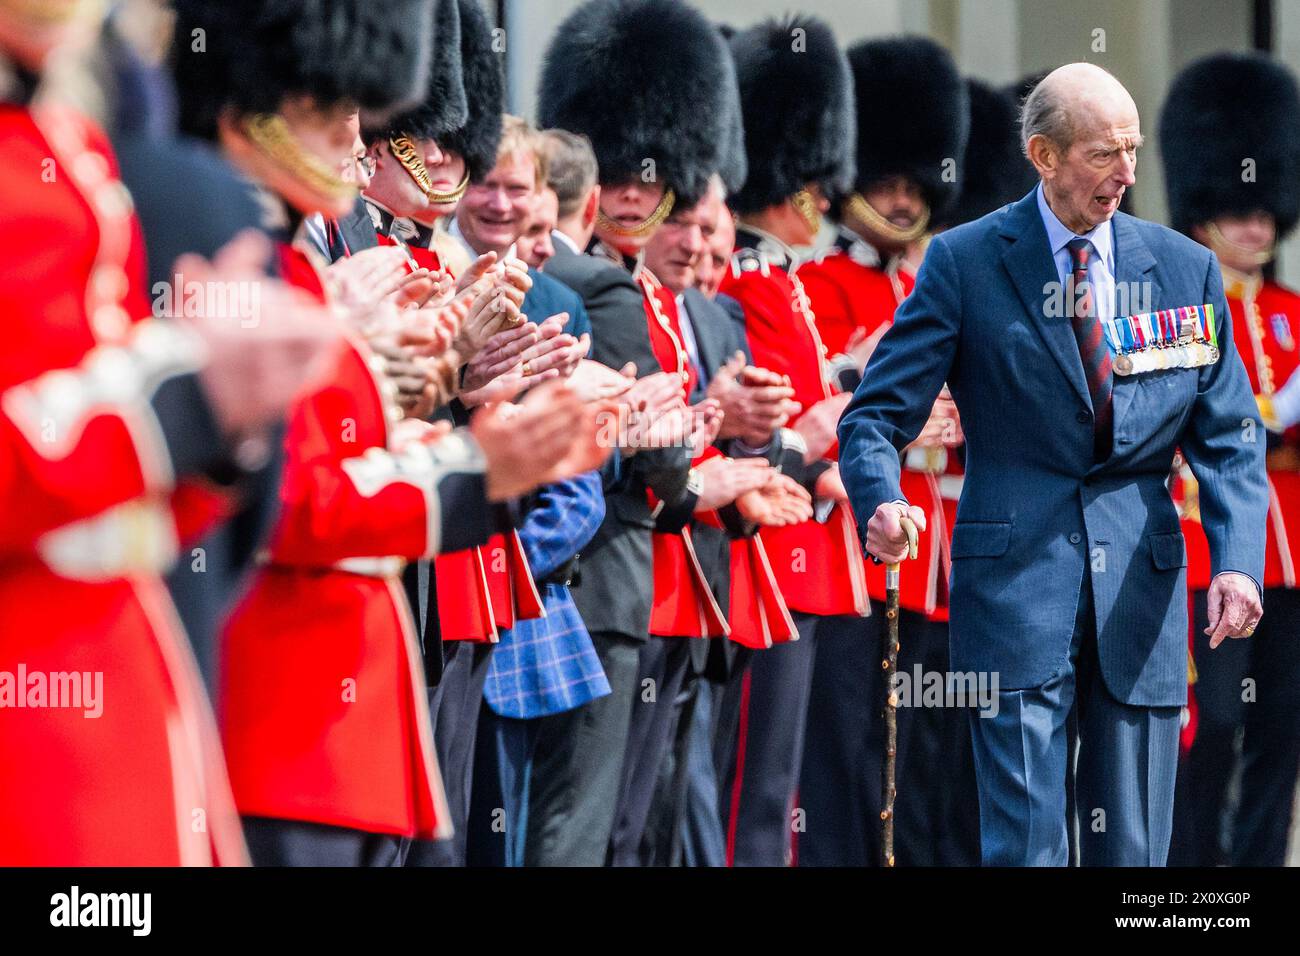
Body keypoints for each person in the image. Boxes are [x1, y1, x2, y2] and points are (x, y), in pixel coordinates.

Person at [838, 61, 1268, 867]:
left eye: (1133, 151)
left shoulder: (1182, 269)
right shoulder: (964, 262)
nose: (1127, 175)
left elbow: (1229, 436)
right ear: (1042, 155)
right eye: (1104, 153)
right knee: (1026, 843)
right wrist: (879, 501)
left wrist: (1239, 565)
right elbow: (875, 415)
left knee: (1135, 847)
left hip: (1140, 589)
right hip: (1012, 590)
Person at [0, 0, 341, 865]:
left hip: (119, 724)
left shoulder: (65, 148)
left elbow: (117, 515)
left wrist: (220, 422)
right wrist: (182, 403)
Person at [531, 0, 760, 866]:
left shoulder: (641, 289)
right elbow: (653, 447)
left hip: (642, 577)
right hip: (599, 571)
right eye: (617, 176)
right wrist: (695, 469)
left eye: (651, 179)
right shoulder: (597, 285)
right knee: (586, 821)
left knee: (626, 820)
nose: (634, 193)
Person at [792, 34, 971, 868]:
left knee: (924, 749)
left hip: (933, 548)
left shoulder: (923, 283)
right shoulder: (821, 286)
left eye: (913, 186)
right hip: (856, 540)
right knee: (854, 743)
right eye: (885, 183)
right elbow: (829, 403)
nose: (902, 203)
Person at [715, 14, 862, 868]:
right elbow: (780, 417)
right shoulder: (746, 275)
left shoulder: (779, 276)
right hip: (773, 553)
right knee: (756, 788)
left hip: (807, 550)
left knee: (787, 783)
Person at [1160, 52, 1300, 868]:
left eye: (1266, 210)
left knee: (1282, 726)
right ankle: (1191, 878)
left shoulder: (1289, 312)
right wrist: (1270, 414)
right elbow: (1176, 414)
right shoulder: (1179, 304)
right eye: (1237, 209)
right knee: (1210, 724)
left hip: (1291, 554)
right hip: (1214, 548)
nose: (1257, 226)